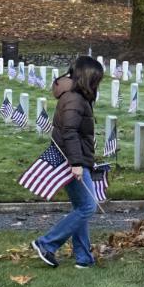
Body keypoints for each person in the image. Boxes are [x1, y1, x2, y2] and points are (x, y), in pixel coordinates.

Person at [31, 55, 104, 269]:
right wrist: (77, 164)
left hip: (77, 157)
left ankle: (83, 257)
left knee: (81, 207)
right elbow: (70, 132)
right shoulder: (74, 99)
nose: (98, 83)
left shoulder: (76, 97)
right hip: (73, 159)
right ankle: (46, 243)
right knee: (88, 207)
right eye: (96, 78)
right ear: (87, 77)